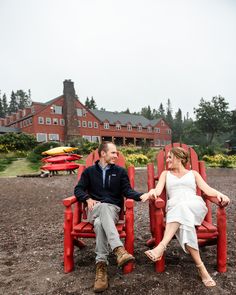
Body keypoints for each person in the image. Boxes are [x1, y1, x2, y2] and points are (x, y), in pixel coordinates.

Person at [143, 147, 230, 288]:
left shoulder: (193, 174)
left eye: (170, 157)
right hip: (176, 208)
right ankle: (201, 268)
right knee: (184, 222)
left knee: (183, 208)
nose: (167, 160)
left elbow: (207, 189)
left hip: (194, 206)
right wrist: (152, 191)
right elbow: (158, 191)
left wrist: (220, 194)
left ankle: (161, 246)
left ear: (180, 158)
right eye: (167, 157)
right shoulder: (165, 174)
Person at [74, 142, 149, 293]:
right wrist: (87, 199)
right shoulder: (89, 172)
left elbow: (127, 191)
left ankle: (101, 266)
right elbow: (78, 189)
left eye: (117, 153)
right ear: (103, 153)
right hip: (93, 209)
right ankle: (118, 249)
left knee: (100, 222)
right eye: (113, 153)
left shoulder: (120, 172)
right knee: (101, 207)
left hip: (112, 211)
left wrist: (141, 195)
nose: (117, 155)